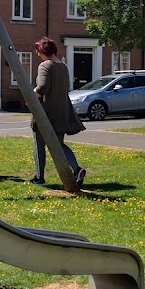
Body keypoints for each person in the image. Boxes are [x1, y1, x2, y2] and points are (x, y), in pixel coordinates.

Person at [29, 36, 87, 187]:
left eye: (38, 51)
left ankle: (39, 177)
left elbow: (42, 88)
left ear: (42, 50)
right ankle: (76, 169)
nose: (37, 54)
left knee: (39, 145)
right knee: (59, 145)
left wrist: (30, 93)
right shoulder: (63, 66)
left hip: (45, 113)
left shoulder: (45, 66)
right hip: (62, 111)